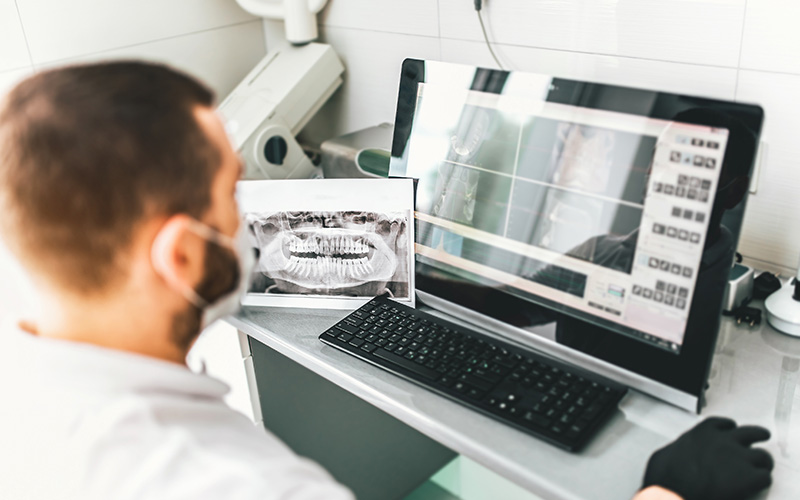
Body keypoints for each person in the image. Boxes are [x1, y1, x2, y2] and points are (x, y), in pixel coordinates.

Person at [0, 62, 773, 500]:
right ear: (179, 256)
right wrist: (666, 496)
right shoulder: (226, 483)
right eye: (229, 194)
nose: (250, 218)